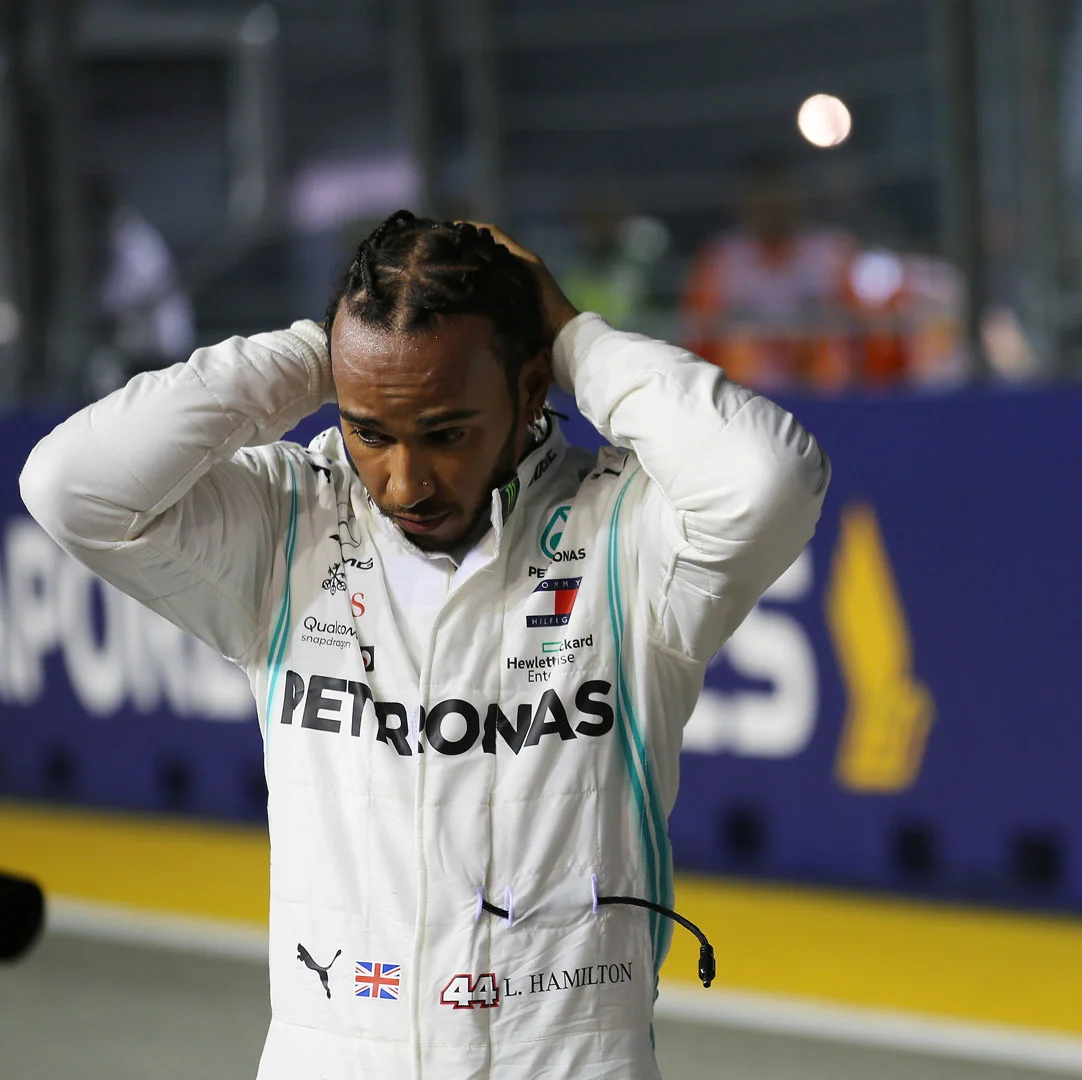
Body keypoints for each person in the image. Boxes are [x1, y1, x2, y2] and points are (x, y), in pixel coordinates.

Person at [19, 212, 830, 1078]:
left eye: (445, 432)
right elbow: (70, 487)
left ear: (528, 393)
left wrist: (573, 338)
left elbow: (769, 479)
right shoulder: (288, 521)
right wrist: (310, 354)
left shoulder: (629, 534)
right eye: (372, 431)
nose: (407, 481)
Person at [683, 156, 859, 392]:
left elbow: (862, 327)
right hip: (746, 398)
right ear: (745, 200)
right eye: (762, 193)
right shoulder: (721, 259)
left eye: (779, 192)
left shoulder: (833, 252)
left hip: (823, 390)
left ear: (798, 195)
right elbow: (698, 335)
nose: (772, 204)